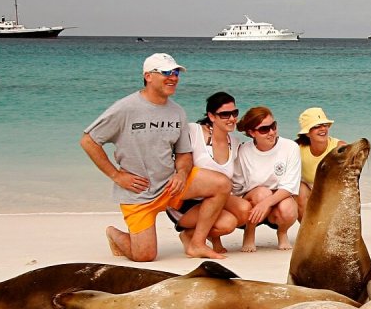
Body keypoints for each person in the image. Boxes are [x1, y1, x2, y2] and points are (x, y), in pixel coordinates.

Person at [79, 53, 234, 262]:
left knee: (221, 184)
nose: (173, 77)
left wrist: (181, 173)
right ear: (148, 76)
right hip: (138, 191)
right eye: (166, 73)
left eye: (176, 72)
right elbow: (89, 141)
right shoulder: (125, 108)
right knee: (144, 256)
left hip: (170, 184)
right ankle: (114, 234)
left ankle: (196, 243)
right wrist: (116, 175)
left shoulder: (177, 112)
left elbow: (183, 153)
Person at [166, 91, 252, 253]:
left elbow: (234, 184)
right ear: (212, 117)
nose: (232, 118)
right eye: (225, 114)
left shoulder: (234, 143)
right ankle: (197, 242)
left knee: (245, 210)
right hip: (186, 202)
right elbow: (169, 149)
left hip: (214, 200)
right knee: (227, 223)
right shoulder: (194, 131)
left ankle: (190, 235)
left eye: (234, 113)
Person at [233, 106, 301, 252]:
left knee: (288, 209)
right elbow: (237, 187)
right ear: (251, 133)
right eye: (264, 129)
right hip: (253, 201)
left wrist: (266, 204)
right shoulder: (243, 150)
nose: (271, 132)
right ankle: (249, 231)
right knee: (262, 193)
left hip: (278, 199)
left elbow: (290, 186)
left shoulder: (291, 147)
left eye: (273, 126)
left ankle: (282, 232)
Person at [295, 106, 347, 220]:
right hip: (308, 186)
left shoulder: (339, 147)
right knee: (298, 190)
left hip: (331, 189)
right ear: (307, 133)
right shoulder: (297, 148)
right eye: (316, 126)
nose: (323, 129)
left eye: (324, 125)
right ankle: (308, 233)